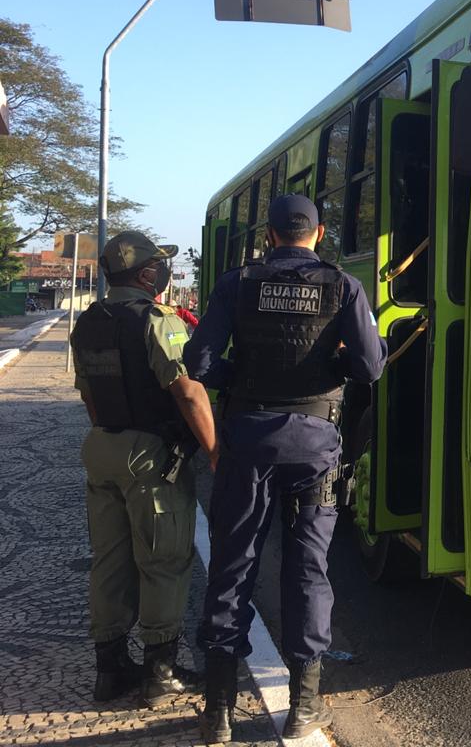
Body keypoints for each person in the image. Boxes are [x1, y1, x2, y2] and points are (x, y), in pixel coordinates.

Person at [184, 195, 386, 744]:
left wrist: (244, 374)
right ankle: (304, 706)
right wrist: (331, 365)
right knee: (309, 569)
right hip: (315, 445)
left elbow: (198, 363)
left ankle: (217, 712)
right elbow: (369, 366)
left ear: (269, 236)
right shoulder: (343, 286)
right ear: (318, 235)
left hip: (247, 438)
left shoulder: (236, 283)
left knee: (233, 564)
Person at [70, 231, 218, 706]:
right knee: (163, 561)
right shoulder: (158, 321)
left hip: (102, 446)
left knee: (110, 560)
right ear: (149, 274)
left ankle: (109, 670)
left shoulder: (87, 323)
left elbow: (90, 396)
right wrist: (215, 451)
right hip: (148, 455)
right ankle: (161, 673)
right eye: (159, 265)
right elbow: (188, 391)